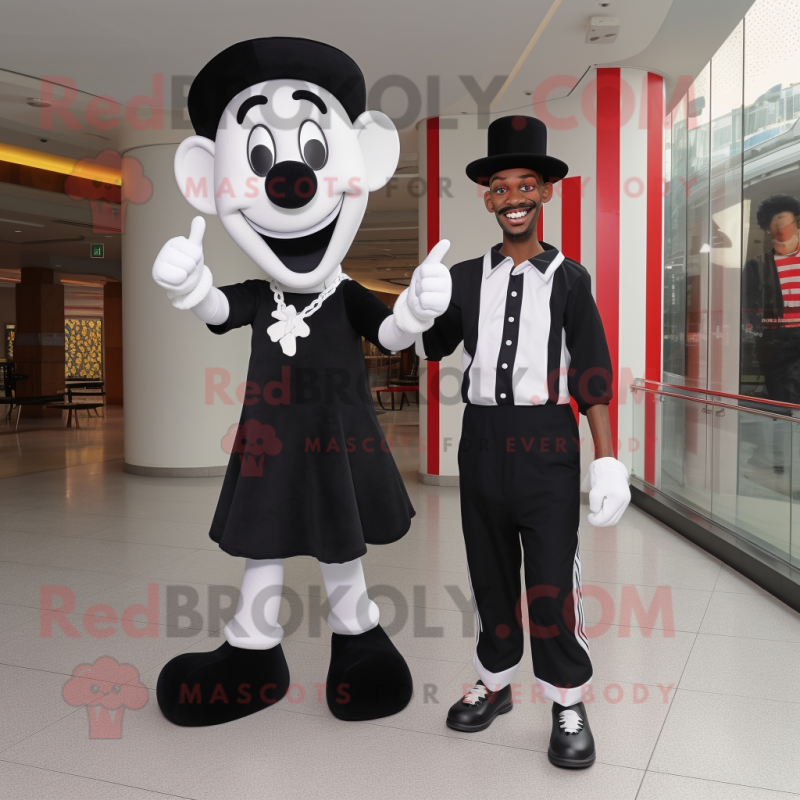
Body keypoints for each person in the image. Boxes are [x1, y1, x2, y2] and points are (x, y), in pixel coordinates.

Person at [150, 37, 452, 726]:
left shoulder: (345, 297)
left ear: (363, 161)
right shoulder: (263, 294)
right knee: (265, 544)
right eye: (259, 159)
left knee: (341, 547)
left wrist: (415, 307)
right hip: (271, 441)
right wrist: (192, 286)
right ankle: (254, 652)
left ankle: (358, 640)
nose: (292, 181)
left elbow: (393, 336)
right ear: (205, 178)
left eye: (315, 153)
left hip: (339, 438)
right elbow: (221, 311)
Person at [417, 116, 630, 768]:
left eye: (526, 185)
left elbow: (591, 374)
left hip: (545, 444)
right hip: (481, 440)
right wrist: (420, 304)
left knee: (547, 583)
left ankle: (567, 698)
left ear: (545, 194)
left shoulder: (570, 278)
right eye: (501, 186)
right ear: (486, 196)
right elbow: (433, 347)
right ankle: (495, 681)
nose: (513, 197)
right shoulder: (461, 276)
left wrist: (608, 460)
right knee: (489, 575)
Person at [744, 194, 800, 405]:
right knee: (780, 400)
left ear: (795, 220)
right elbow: (750, 306)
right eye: (772, 224)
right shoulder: (757, 265)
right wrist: (756, 335)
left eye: (784, 220)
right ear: (767, 229)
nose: (779, 227)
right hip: (775, 341)